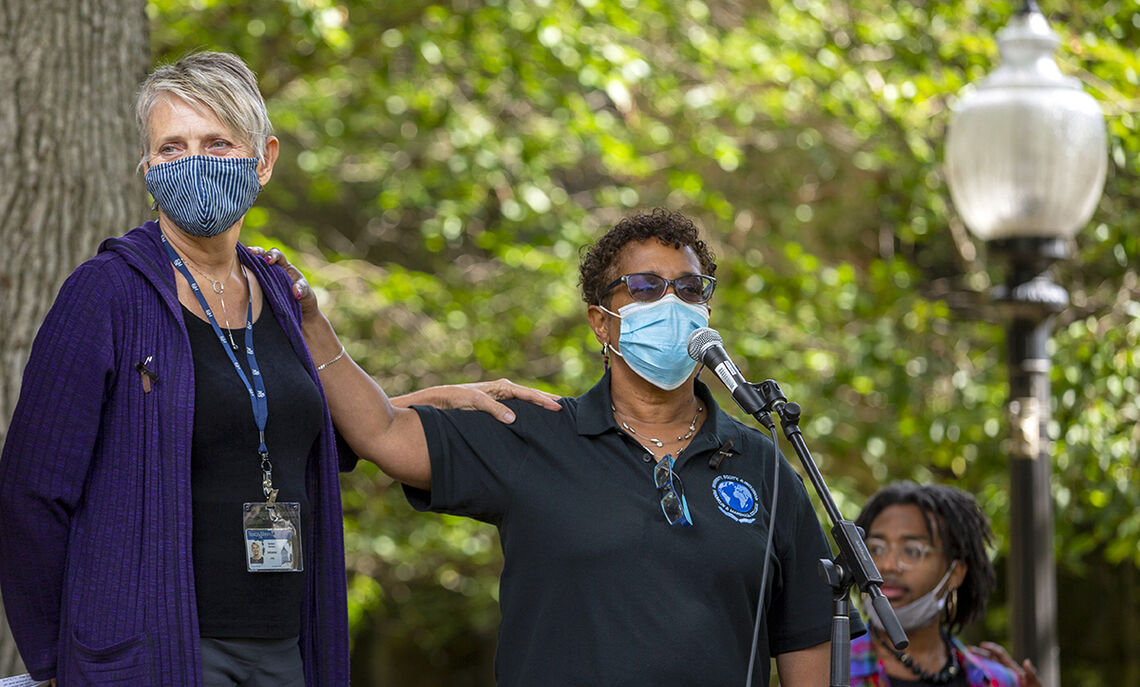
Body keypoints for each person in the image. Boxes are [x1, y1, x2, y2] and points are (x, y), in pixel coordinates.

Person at [0, 51, 557, 687]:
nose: (194, 164)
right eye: (171, 148)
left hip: (284, 646)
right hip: (155, 651)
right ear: (148, 170)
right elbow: (31, 493)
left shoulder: (280, 289)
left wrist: (430, 401)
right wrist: (53, 662)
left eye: (217, 142)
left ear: (262, 160)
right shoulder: (107, 294)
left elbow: (283, 431)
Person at [268, 208, 855, 685]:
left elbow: (803, 635)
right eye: (645, 288)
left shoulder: (762, 461)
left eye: (688, 288)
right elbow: (381, 433)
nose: (670, 304)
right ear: (601, 322)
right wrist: (315, 326)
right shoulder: (535, 432)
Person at [850, 482, 1042, 686]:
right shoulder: (828, 669)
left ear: (955, 572)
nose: (887, 565)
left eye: (912, 550)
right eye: (876, 549)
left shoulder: (994, 680)